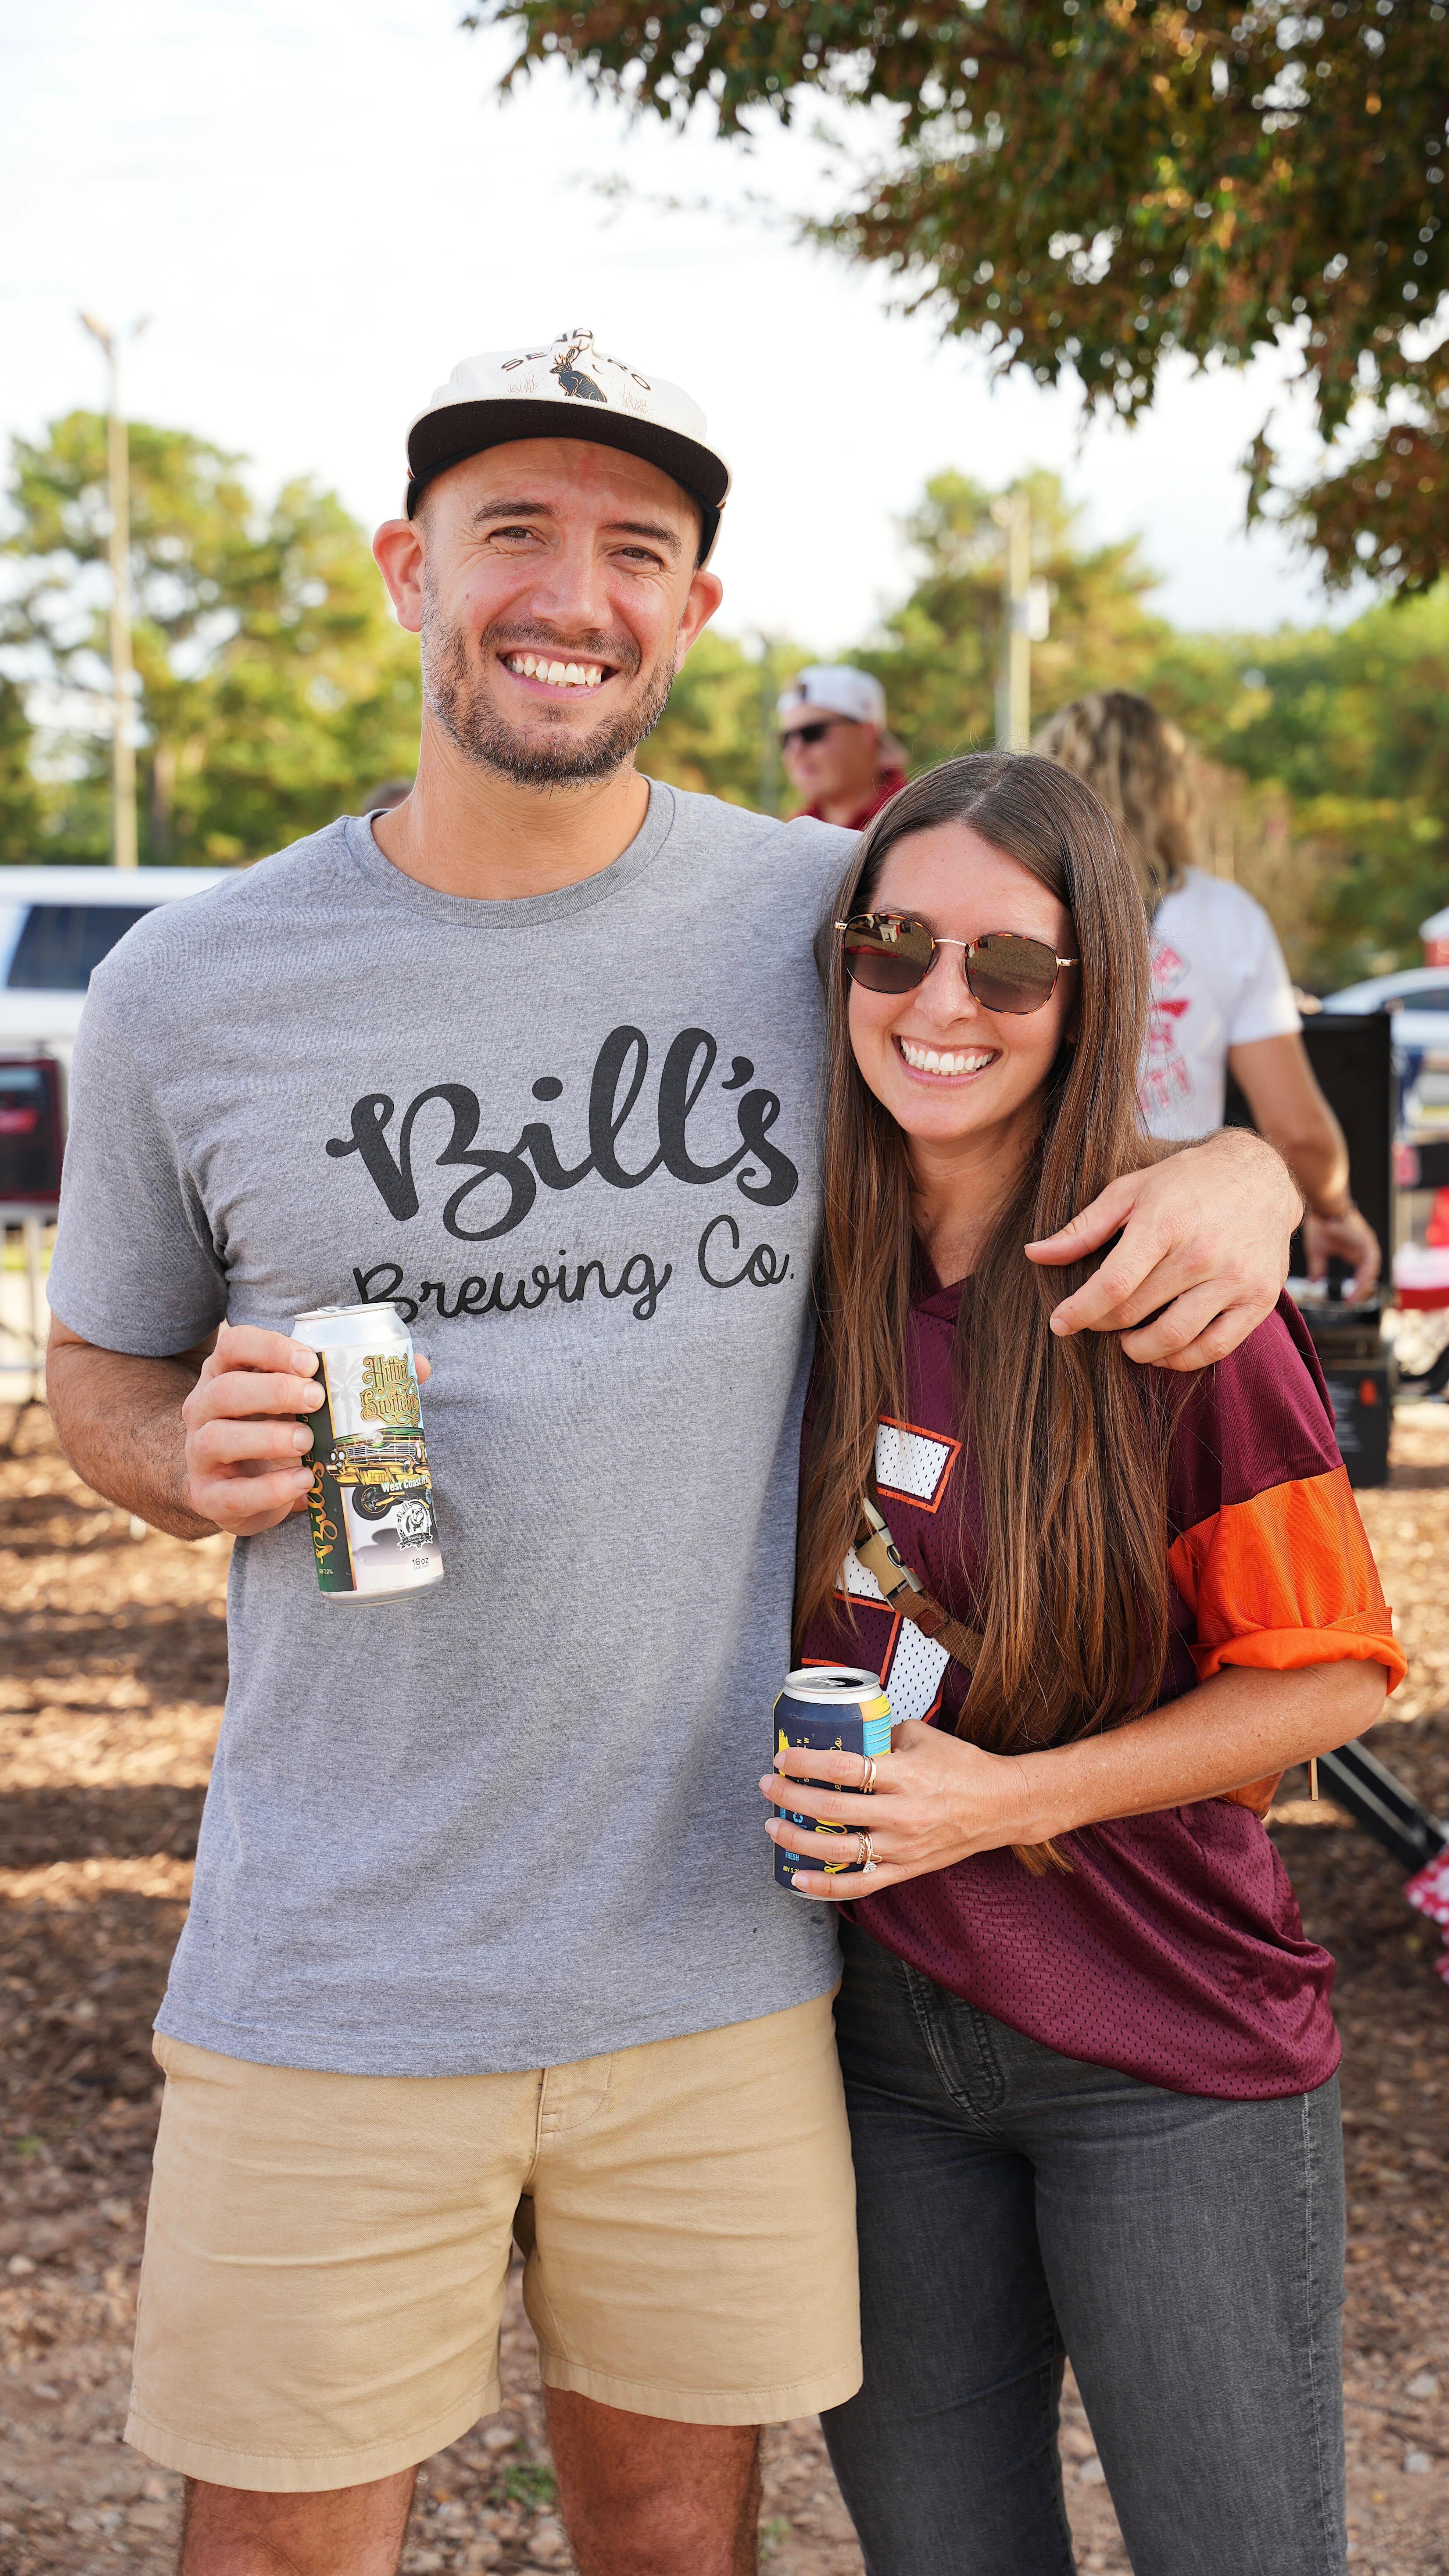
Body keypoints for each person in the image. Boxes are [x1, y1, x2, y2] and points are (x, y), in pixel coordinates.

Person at [44, 327, 1301, 2576]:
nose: (573, 589)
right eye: (512, 529)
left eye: (636, 546)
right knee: (272, 2545)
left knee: (674, 2540)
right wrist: (181, 1451)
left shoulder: (806, 921)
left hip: (722, 1967)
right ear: (405, 570)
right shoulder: (193, 984)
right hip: (343, 1957)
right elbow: (99, 1385)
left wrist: (1244, 1178)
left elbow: (1017, 1044)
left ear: (694, 612)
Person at [762, 752, 1406, 2576]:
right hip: (876, 2053)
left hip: (1162, 2050)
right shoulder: (786, 1273)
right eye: (892, 947)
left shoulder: (1164, 1295)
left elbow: (1329, 1678)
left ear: (1094, 987)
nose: (938, 1002)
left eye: (1008, 967)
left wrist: (1002, 1799)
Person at [1036, 689, 1381, 1300]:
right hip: (1172, 1249)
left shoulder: (1027, 897)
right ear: (1170, 790)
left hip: (1032, 1223)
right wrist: (1334, 1211)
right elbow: (1295, 1128)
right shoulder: (1226, 917)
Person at [778, 665, 907, 829]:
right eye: (786, 739)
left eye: (812, 733)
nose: (795, 751)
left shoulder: (921, 822)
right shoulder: (794, 832)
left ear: (867, 734)